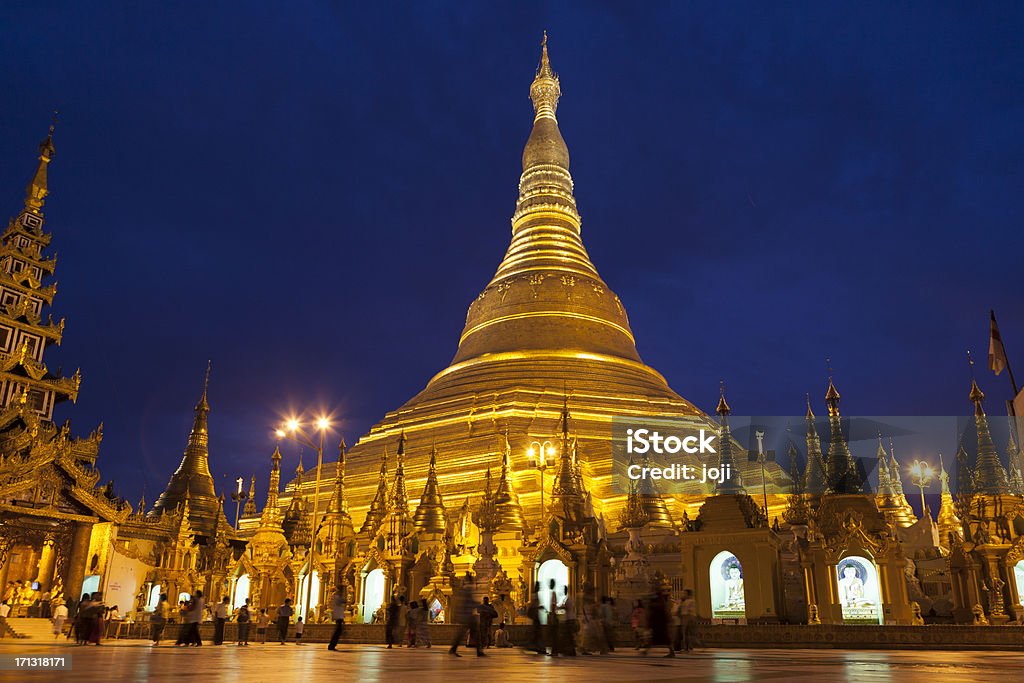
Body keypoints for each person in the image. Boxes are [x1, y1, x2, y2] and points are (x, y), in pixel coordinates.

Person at [448, 574, 482, 657]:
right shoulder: (467, 590)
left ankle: (454, 649)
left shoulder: (463, 590)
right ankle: (478, 651)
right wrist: (477, 604)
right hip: (467, 616)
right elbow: (467, 602)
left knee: (468, 633)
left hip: (466, 615)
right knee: (473, 633)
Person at [327, 587, 346, 651]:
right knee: (337, 632)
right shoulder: (337, 597)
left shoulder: (337, 597)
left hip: (339, 616)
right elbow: (343, 601)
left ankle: (332, 645)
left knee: (338, 631)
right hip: (338, 616)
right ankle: (331, 645)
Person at [526, 582, 542, 654]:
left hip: (536, 614)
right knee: (537, 631)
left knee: (536, 631)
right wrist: (539, 607)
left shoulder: (535, 594)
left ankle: (536, 646)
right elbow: (534, 604)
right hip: (536, 614)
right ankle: (536, 646)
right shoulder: (535, 595)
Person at [560, 586, 577, 656]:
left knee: (569, 635)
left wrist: (560, 607)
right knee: (569, 636)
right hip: (570, 617)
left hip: (569, 618)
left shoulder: (569, 599)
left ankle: (570, 651)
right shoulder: (569, 598)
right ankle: (570, 650)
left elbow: (567, 607)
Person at [546, 579, 559, 656]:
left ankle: (555, 651)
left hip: (553, 615)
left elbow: (553, 605)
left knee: (553, 634)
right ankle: (554, 651)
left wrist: (552, 615)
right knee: (553, 634)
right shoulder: (552, 593)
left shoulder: (553, 593)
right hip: (552, 614)